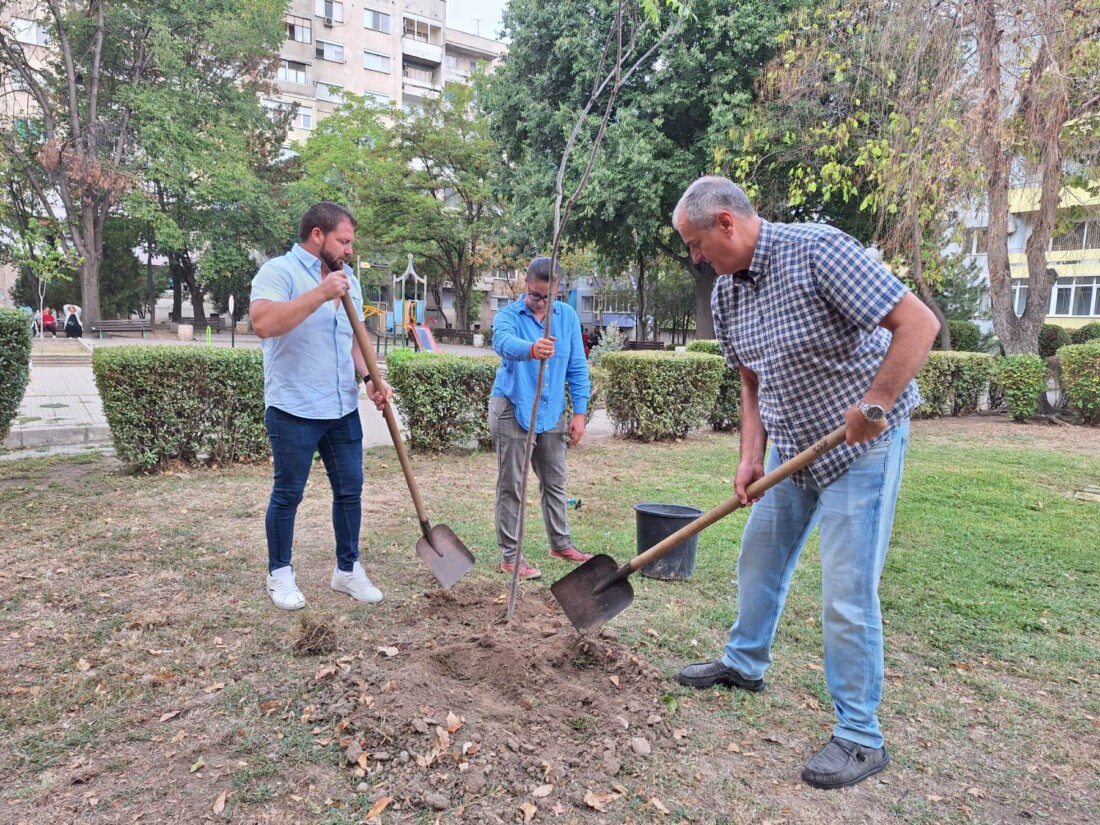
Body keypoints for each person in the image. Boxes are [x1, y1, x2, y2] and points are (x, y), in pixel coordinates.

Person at [671, 176, 939, 790]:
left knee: (846, 591)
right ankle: (744, 664)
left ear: (725, 224)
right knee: (758, 558)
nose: (694, 257)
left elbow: (917, 323)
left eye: (694, 243)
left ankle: (860, 737)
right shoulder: (727, 297)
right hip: (795, 448)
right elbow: (751, 383)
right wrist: (749, 457)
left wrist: (874, 404)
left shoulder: (818, 251)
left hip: (863, 446)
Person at [249, 202, 392, 610]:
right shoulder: (278, 272)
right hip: (294, 407)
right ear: (317, 235)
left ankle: (347, 570)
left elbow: (354, 340)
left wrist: (370, 379)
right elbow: (263, 323)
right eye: (343, 241)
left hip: (341, 407)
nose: (349, 250)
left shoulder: (349, 281)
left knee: (350, 491)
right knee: (288, 493)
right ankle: (280, 574)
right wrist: (320, 293)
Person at [489, 256, 592, 579]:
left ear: (558, 290)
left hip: (551, 412)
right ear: (525, 285)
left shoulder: (568, 317)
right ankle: (511, 556)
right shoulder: (508, 315)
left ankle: (560, 543)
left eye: (548, 297)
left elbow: (577, 365)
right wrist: (532, 349)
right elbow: (502, 342)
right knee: (513, 486)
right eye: (535, 295)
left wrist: (579, 412)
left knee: (555, 481)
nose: (540, 303)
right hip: (513, 408)